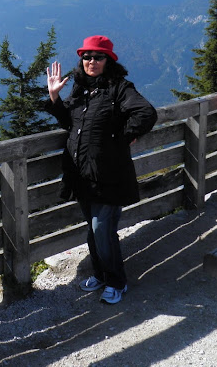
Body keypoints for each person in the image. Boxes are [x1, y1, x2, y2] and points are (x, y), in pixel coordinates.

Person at [45, 35, 157, 304]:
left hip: (109, 174)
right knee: (93, 229)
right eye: (86, 57)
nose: (91, 61)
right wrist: (54, 96)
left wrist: (122, 136)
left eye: (98, 57)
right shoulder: (81, 89)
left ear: (109, 61)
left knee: (101, 229)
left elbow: (146, 113)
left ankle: (117, 282)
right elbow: (68, 122)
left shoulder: (119, 88)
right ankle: (100, 274)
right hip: (82, 173)